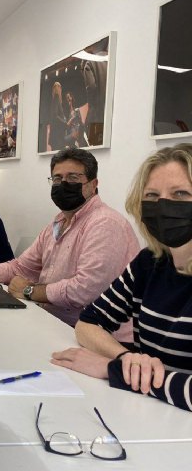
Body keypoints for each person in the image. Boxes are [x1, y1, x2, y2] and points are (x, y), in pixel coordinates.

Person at [51, 144, 192, 412]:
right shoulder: (149, 263)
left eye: (180, 194)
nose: (162, 205)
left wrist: (113, 369)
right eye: (151, 195)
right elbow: (89, 323)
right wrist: (127, 359)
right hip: (149, 411)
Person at [0, 148, 139, 332]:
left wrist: (29, 291)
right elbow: (20, 267)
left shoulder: (105, 223)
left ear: (93, 184)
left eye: (73, 177)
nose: (63, 184)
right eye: (57, 178)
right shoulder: (57, 223)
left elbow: (83, 290)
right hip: (52, 321)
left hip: (96, 335)